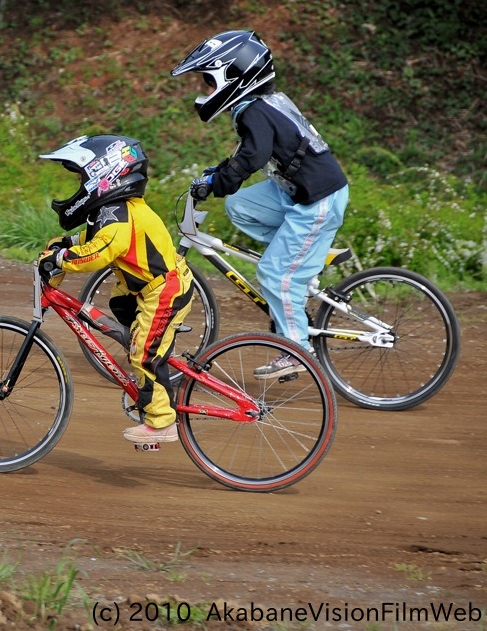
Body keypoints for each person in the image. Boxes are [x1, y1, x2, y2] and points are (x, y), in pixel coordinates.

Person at [170, 30, 350, 379]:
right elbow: (249, 153)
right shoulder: (260, 105)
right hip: (298, 192)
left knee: (273, 275)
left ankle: (297, 351)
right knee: (240, 205)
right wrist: (219, 174)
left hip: (317, 200)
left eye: (209, 82)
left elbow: (253, 157)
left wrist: (218, 182)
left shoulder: (255, 111)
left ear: (232, 77)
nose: (205, 91)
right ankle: (300, 256)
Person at [37, 135, 194, 444]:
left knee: (143, 353)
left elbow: (98, 254)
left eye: (82, 177)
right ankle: (152, 358)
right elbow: (93, 239)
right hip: (145, 288)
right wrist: (65, 245)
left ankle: (162, 421)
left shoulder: (120, 215)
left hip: (164, 290)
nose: (80, 184)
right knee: (122, 310)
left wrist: (60, 259)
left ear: (104, 175)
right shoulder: (114, 210)